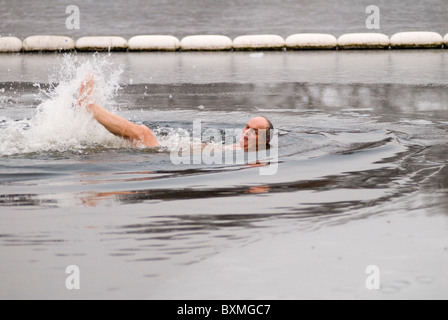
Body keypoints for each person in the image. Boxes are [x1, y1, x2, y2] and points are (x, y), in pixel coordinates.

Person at [77, 74, 273, 150]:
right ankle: (90, 117)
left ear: (265, 140)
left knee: (142, 132)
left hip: (165, 154)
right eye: (247, 127)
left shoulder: (250, 156)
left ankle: (90, 106)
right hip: (170, 148)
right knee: (131, 135)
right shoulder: (239, 149)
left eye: (255, 131)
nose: (247, 132)